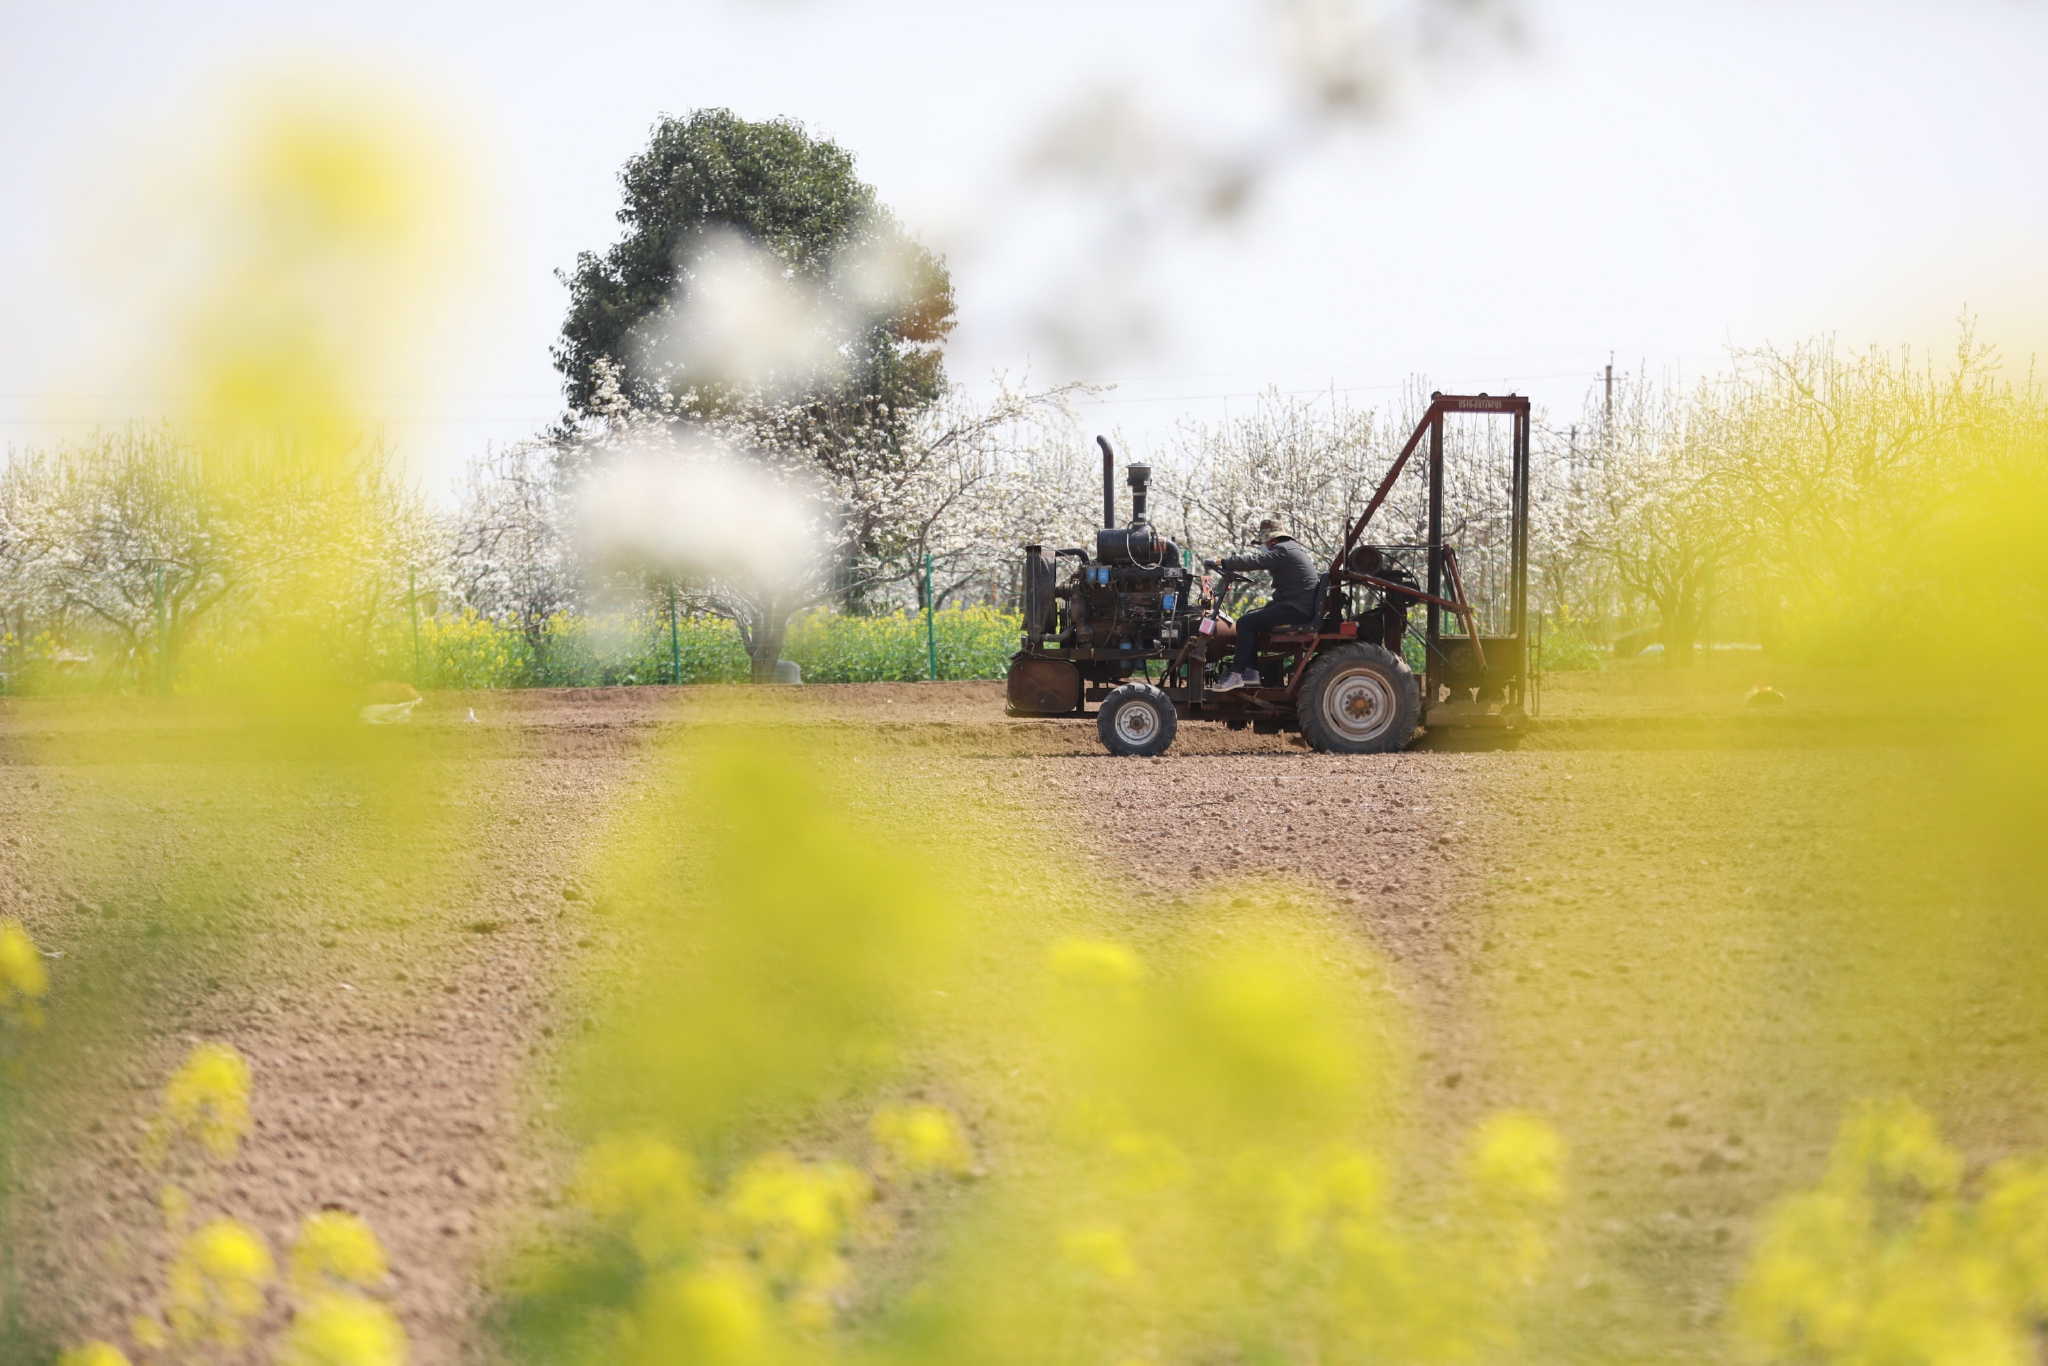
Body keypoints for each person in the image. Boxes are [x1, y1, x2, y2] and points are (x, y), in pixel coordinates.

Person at [1205, 518, 1319, 691]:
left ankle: (1237, 673)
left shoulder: (1283, 551)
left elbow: (1255, 561)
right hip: (1296, 604)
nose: (1264, 545)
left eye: (1265, 542)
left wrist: (1222, 562)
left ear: (1272, 539)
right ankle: (1251, 673)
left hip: (1296, 609)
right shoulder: (1293, 549)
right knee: (1253, 618)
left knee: (1245, 622)